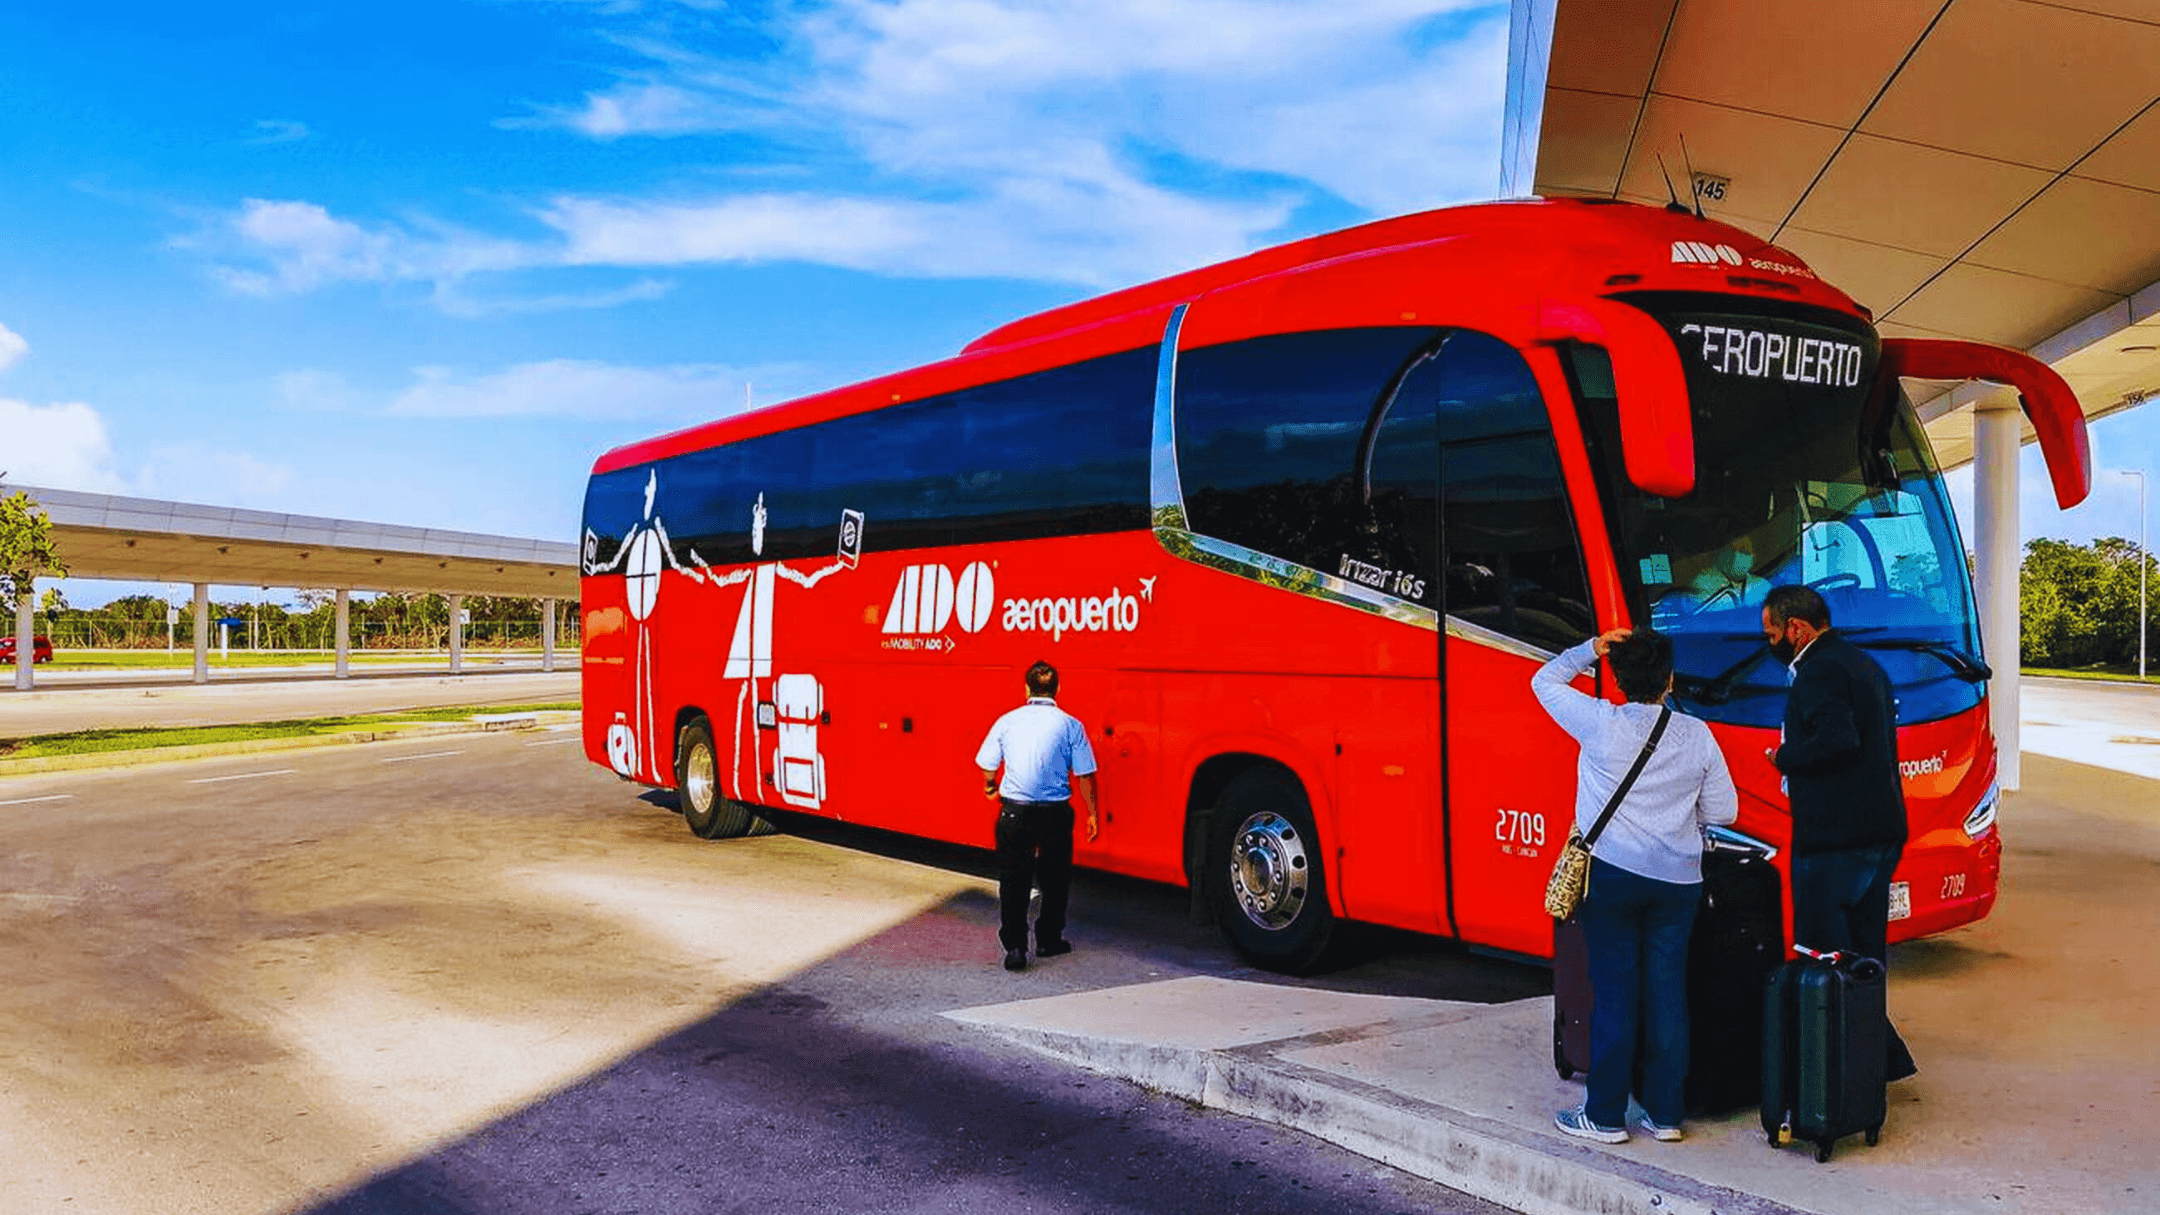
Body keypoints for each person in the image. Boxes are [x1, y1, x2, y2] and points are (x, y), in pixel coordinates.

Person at [1534, 626, 1738, 1144]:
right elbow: (1724, 811)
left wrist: (1588, 649)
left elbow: (1544, 681)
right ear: (1669, 680)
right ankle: (1666, 1115)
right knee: (1668, 991)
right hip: (1678, 883)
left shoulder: (1601, 722)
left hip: (1614, 878)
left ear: (1619, 680)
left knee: (1615, 994)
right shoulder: (1698, 735)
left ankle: (1603, 1116)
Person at [1761, 584, 1919, 1080]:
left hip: (1836, 838)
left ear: (1796, 629)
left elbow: (1837, 738)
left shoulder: (1817, 670)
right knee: (1865, 955)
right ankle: (1873, 1059)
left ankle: (1843, 1065)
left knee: (1826, 955)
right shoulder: (1863, 663)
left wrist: (1784, 757)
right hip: (1880, 831)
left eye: (1771, 633)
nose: (1767, 644)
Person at [975, 660, 1100, 972]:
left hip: (1015, 812)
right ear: (1058, 689)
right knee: (1055, 880)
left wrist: (991, 785)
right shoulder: (1071, 725)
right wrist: (1093, 814)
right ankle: (1048, 939)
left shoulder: (1007, 721)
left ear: (1026, 688)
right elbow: (1085, 775)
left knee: (1013, 880)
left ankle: (1015, 947)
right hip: (1055, 814)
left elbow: (988, 764)